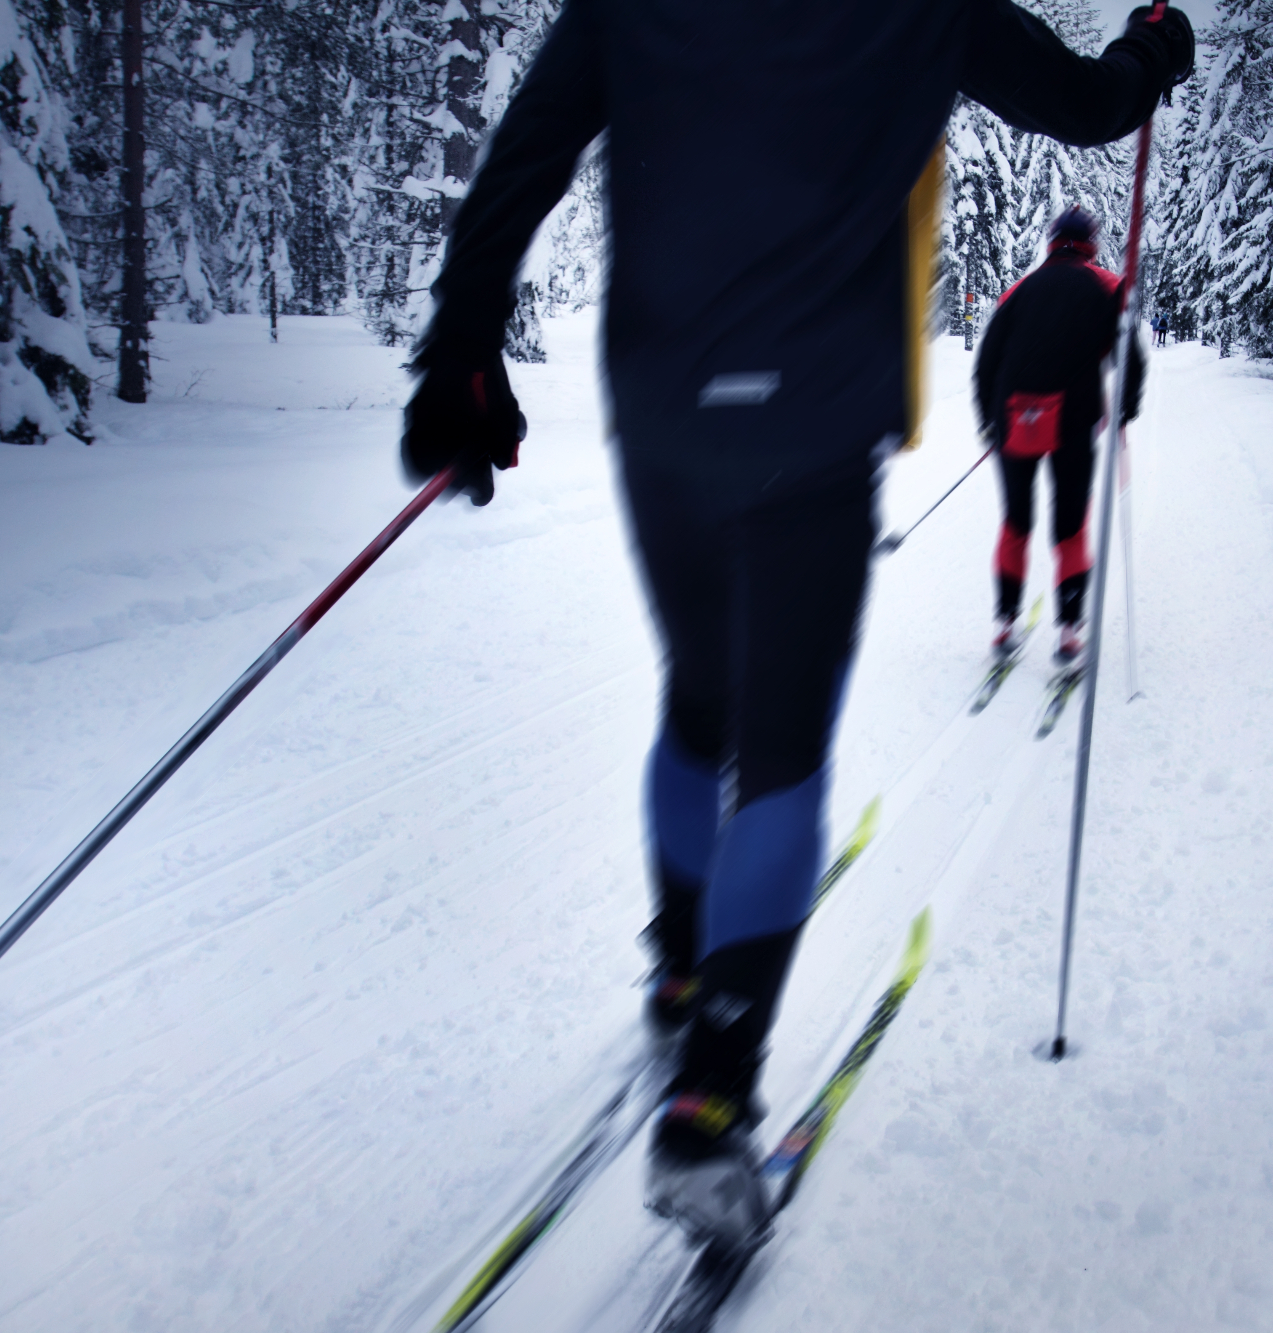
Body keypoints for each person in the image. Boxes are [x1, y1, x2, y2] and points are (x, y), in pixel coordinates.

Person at [397, 0, 1193, 1247]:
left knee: (699, 694)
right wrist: (1156, 45)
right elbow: (1088, 105)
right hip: (814, 427)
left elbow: (528, 153)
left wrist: (458, 353)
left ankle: (676, 965)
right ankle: (710, 1102)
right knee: (778, 750)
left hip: (665, 414)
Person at [974, 205, 1145, 670]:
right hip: (1073, 419)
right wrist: (1126, 406)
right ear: (1090, 244)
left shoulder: (1019, 290)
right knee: (1070, 527)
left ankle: (1005, 624)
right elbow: (1131, 354)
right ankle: (1069, 631)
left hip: (1015, 419)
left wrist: (987, 421)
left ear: (1051, 244)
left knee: (1016, 523)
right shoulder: (1108, 287)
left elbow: (987, 360)